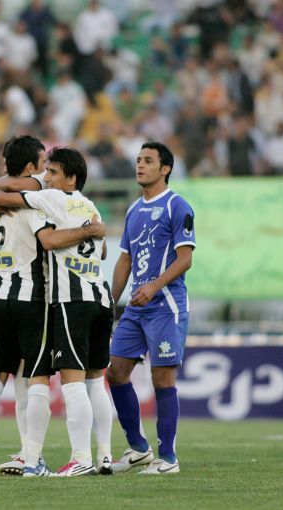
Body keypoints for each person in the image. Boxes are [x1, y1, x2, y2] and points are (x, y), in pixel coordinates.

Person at [0, 137, 106, 477]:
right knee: (36, 379)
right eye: (42, 165)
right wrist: (91, 231)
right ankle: (32, 457)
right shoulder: (37, 204)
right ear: (29, 167)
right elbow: (49, 240)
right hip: (33, 300)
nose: (45, 173)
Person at [106, 141, 195, 475]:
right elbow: (125, 260)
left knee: (162, 378)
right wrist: (110, 302)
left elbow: (185, 259)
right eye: (138, 160)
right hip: (136, 307)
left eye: (148, 160)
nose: (140, 165)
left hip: (166, 305)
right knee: (115, 372)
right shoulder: (134, 210)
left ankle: (168, 458)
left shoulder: (177, 205)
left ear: (165, 169)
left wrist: (154, 286)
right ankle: (139, 449)